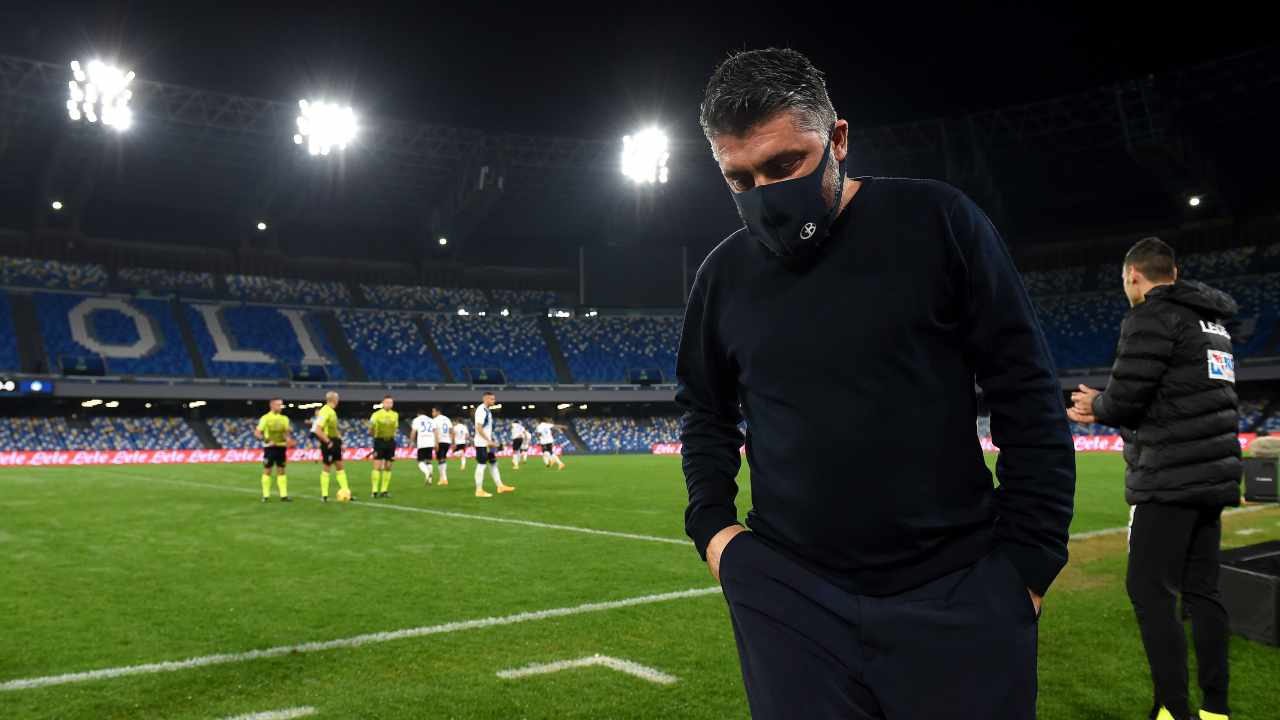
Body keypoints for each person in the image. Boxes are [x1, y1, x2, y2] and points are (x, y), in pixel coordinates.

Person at [677, 48, 1075, 720]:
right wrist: (716, 533)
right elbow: (705, 412)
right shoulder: (722, 276)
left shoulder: (939, 221)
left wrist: (1028, 564)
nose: (766, 194)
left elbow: (1026, 389)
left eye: (785, 165)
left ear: (838, 139)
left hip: (958, 592)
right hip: (790, 601)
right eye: (740, 180)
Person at [1068, 237, 1240, 720]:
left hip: (1169, 477)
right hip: (1213, 475)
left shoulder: (1149, 317)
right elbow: (1175, 395)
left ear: (1134, 277)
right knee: (1203, 593)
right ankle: (1215, 709)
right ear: (1176, 273)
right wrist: (1110, 401)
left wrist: (1095, 406)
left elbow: (1127, 401)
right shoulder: (1214, 325)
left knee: (1149, 590)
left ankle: (1172, 710)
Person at [312, 390, 352, 502]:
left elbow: (334, 429)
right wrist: (328, 442)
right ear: (334, 399)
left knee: (340, 465)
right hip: (328, 442)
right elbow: (317, 430)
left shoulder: (331, 411)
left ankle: (345, 491)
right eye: (337, 399)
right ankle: (324, 495)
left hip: (335, 441)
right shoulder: (325, 411)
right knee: (327, 467)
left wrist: (341, 442)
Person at [473, 391, 515, 497]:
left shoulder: (487, 410)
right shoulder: (481, 410)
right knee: (481, 465)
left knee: (493, 463)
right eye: (492, 399)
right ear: (485, 399)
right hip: (482, 443)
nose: (494, 401)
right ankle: (479, 490)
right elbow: (479, 427)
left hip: (486, 442)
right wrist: (488, 441)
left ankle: (500, 486)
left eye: (494, 399)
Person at [253, 398, 292, 503]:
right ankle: (266, 496)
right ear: (272, 405)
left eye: (281, 405)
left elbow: (286, 433)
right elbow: (257, 433)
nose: (280, 407)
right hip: (269, 448)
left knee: (281, 470)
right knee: (267, 470)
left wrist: (288, 438)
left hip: (281, 447)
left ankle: (283, 495)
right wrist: (265, 440)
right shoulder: (265, 418)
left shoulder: (285, 418)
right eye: (278, 405)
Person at [368, 395, 399, 498]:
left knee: (388, 466)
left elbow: (395, 428)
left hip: (390, 442)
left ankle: (384, 490)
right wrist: (374, 435)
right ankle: (374, 490)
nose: (389, 404)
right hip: (379, 441)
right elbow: (370, 428)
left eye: (391, 403)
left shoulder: (395, 415)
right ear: (383, 403)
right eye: (387, 402)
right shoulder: (376, 414)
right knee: (377, 465)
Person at [411, 408, 435, 484]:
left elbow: (413, 432)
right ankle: (430, 480)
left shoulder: (416, 420)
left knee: (420, 461)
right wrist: (436, 442)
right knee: (429, 461)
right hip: (431, 442)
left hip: (422, 443)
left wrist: (411, 441)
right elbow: (435, 431)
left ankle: (427, 473)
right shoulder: (431, 420)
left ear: (418, 414)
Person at [431, 407, 453, 486]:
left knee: (440, 460)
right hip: (447, 441)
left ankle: (444, 479)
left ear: (438, 412)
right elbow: (451, 431)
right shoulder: (447, 419)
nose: (432, 413)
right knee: (443, 458)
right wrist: (451, 441)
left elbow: (435, 432)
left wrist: (436, 443)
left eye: (433, 411)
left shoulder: (435, 420)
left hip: (440, 441)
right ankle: (443, 478)